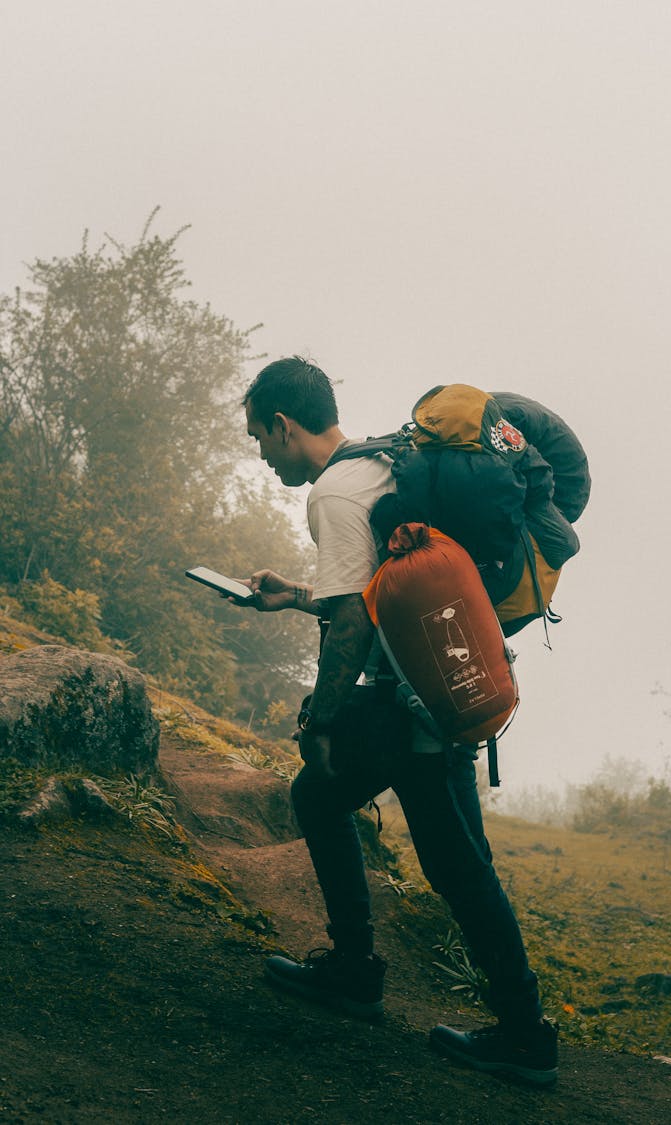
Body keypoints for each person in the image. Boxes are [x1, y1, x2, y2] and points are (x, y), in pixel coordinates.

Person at [234, 355, 558, 1087]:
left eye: (260, 437)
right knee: (331, 804)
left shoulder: (334, 493)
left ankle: (524, 1032)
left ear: (286, 426)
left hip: (408, 707)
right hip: (433, 686)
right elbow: (374, 591)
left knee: (454, 864)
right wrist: (295, 595)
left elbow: (353, 621)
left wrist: (321, 717)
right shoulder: (385, 462)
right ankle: (360, 970)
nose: (260, 453)